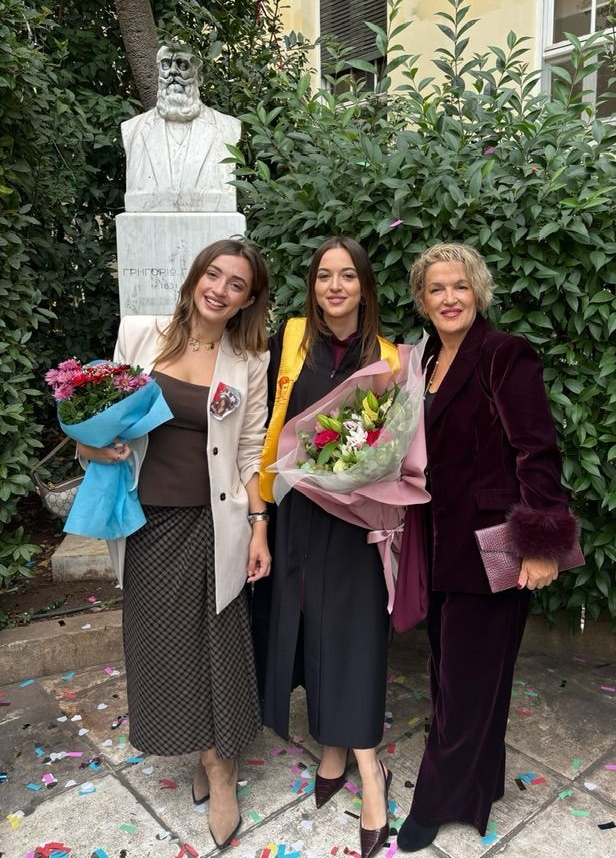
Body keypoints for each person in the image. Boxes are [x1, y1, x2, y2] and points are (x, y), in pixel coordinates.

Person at [75, 239, 271, 851]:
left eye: (236, 284)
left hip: (215, 522)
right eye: (214, 274)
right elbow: (101, 416)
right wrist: (87, 445)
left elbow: (249, 448)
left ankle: (222, 766)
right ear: (194, 278)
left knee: (220, 642)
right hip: (146, 523)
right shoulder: (139, 334)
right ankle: (200, 747)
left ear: (247, 300)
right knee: (165, 646)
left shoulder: (248, 360)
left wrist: (259, 525)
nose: (220, 289)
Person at [397, 242, 578, 851]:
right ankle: (478, 782)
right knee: (451, 672)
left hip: (493, 543)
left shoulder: (505, 354)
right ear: (422, 300)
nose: (449, 298)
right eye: (436, 289)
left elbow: (536, 450)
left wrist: (541, 544)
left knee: (469, 678)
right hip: (436, 541)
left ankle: (436, 801)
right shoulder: (423, 361)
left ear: (479, 291)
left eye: (460, 286)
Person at [258, 236, 397, 858]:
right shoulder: (288, 342)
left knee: (355, 633)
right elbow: (260, 422)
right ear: (312, 286)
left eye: (346, 276)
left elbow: (393, 444)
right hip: (295, 512)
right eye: (323, 276)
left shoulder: (389, 358)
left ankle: (369, 769)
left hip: (355, 517)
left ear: (364, 286)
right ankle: (332, 745)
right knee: (309, 625)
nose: (334, 287)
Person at [121, 43, 242, 213]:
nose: (172, 72)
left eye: (182, 65)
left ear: (199, 78)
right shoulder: (133, 129)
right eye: (165, 65)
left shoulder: (227, 127)